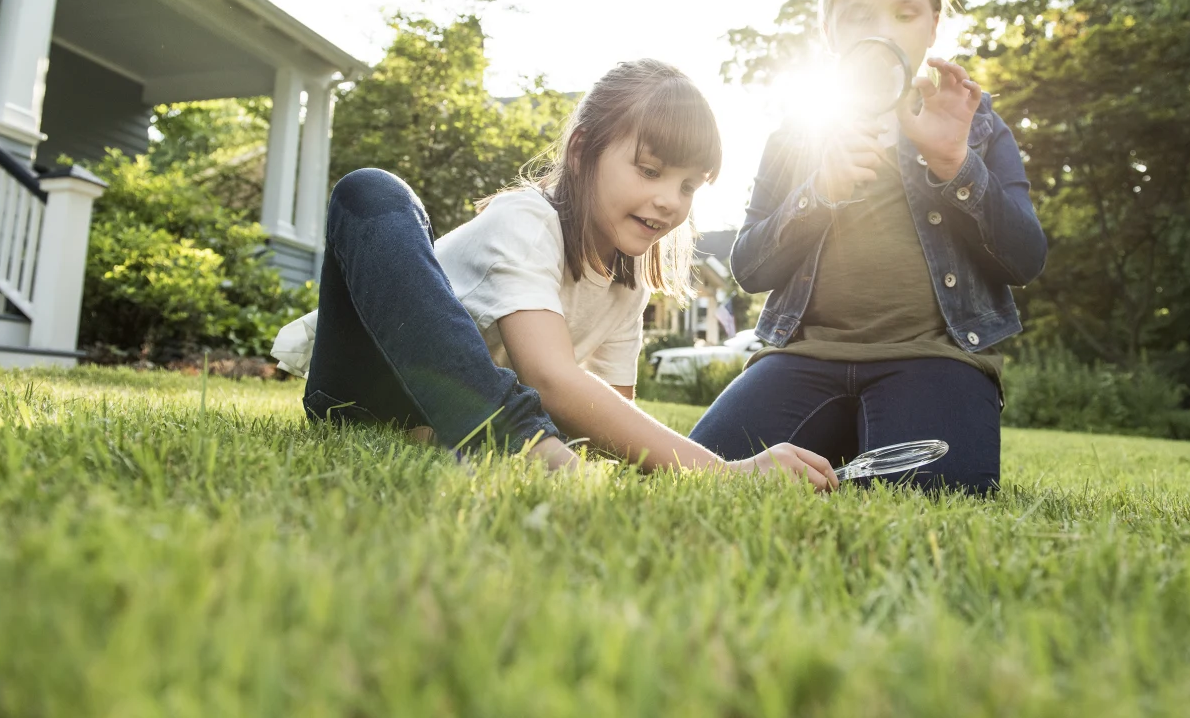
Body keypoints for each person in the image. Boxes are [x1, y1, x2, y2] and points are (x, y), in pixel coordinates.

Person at [272, 59, 839, 490]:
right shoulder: (527, 219)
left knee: (555, 434)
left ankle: (470, 435)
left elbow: (605, 424)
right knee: (370, 190)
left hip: (443, 423)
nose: (669, 200)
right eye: (650, 170)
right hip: (364, 391)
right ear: (581, 151)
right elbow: (552, 379)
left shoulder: (628, 284)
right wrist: (728, 473)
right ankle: (511, 439)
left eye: (689, 185)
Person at [688, 0, 1048, 493]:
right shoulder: (796, 134)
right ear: (830, 34)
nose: (882, 29)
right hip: (803, 357)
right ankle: (848, 434)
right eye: (858, 15)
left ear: (932, 27)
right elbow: (750, 267)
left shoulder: (974, 124)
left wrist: (956, 165)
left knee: (942, 492)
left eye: (905, 13)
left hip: (935, 359)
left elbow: (1025, 257)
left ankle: (883, 426)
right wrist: (817, 191)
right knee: (706, 470)